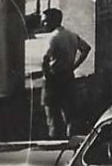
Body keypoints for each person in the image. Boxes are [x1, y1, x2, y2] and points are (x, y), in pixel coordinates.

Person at [38, 8, 90, 139]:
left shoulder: (52, 38)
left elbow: (44, 59)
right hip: (68, 76)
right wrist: (74, 66)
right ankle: (71, 141)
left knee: (52, 116)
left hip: (53, 78)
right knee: (69, 115)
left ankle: (55, 143)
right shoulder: (71, 35)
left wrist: (46, 75)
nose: (42, 24)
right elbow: (86, 48)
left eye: (44, 21)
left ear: (52, 21)